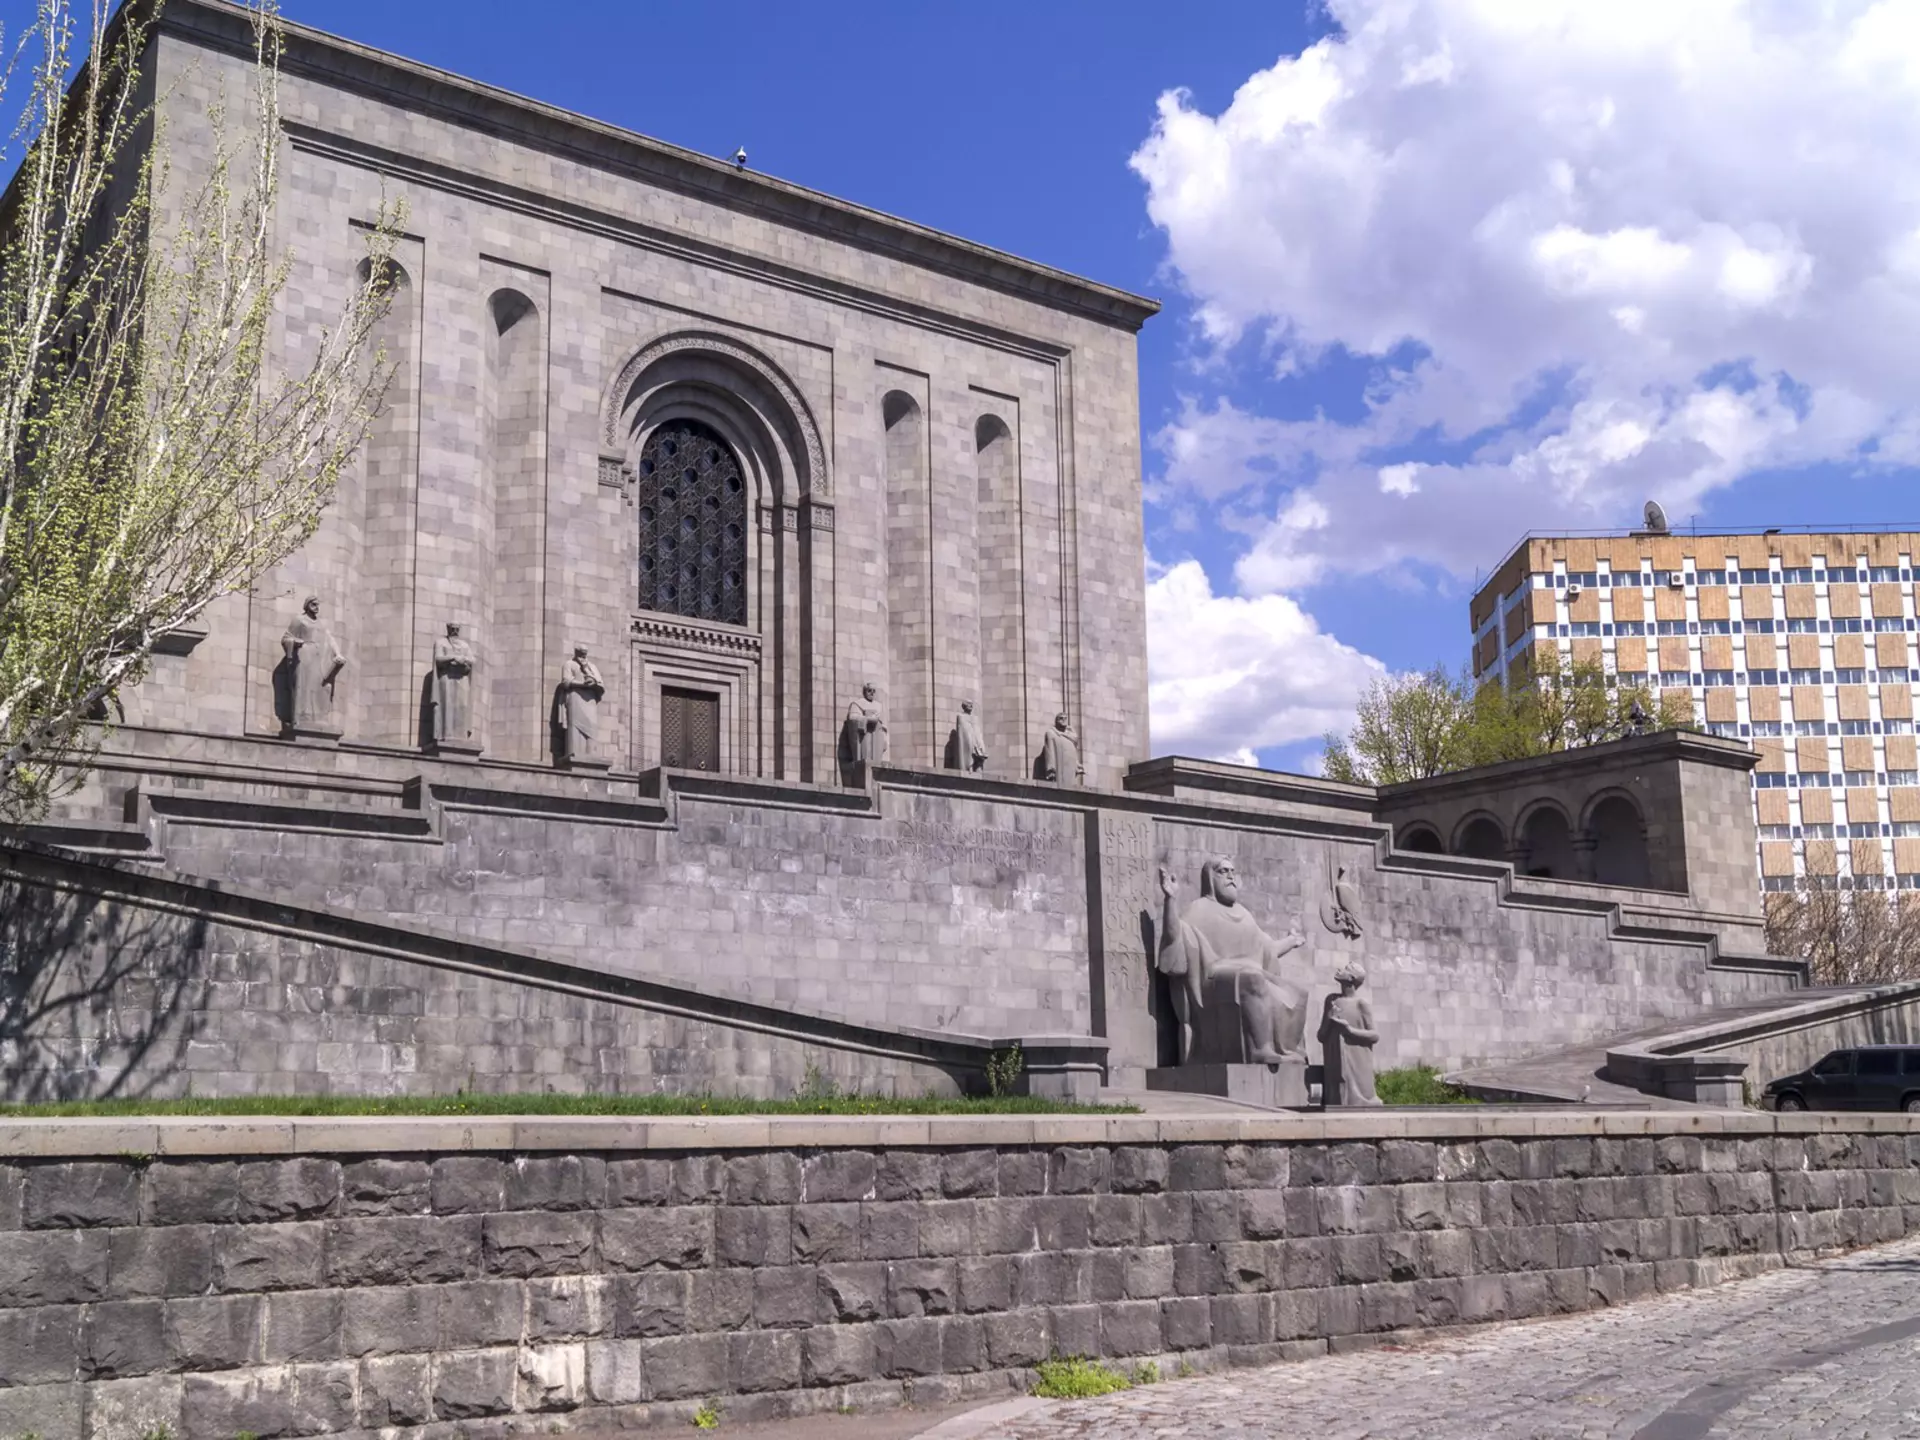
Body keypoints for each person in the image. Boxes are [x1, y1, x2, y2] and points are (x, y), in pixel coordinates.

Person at [1156, 857, 1308, 1066]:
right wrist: (1170, 901)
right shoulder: (1198, 909)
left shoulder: (1244, 915)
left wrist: (1291, 941)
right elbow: (1176, 941)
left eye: (1232, 871)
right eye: (1223, 871)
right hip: (1212, 981)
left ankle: (1288, 1049)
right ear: (1210, 878)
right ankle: (1260, 1049)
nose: (1230, 876)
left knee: (1297, 993)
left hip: (1247, 974)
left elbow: (1267, 949)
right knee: (1252, 978)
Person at [1319, 960, 1381, 1105]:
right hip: (1334, 1063)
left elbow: (1374, 1035)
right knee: (1337, 1100)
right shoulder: (1331, 1000)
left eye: (1346, 969)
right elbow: (1321, 1036)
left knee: (1357, 1101)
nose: (1340, 970)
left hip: (1357, 1064)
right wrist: (1329, 1017)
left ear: (1351, 979)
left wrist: (1349, 1031)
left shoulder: (1361, 1004)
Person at [280, 596, 346, 732]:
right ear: (308, 605)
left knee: (319, 686)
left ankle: (317, 716)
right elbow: (286, 638)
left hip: (320, 658)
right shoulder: (299, 620)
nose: (317, 607)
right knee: (304, 685)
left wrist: (338, 654)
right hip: (304, 656)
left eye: (318, 605)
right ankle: (302, 716)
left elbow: (330, 639)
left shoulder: (321, 624)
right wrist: (295, 643)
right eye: (314, 604)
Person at [557, 644, 605, 763]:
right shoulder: (569, 664)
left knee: (591, 728)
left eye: (585, 653)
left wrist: (588, 673)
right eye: (581, 653)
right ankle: (574, 754)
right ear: (576, 652)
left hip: (590, 699)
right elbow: (566, 682)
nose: (583, 656)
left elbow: (600, 683)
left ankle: (591, 756)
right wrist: (582, 684)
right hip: (575, 697)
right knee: (575, 727)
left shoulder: (592, 666)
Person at [432, 621, 477, 746]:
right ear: (448, 629)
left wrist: (463, 660)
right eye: (452, 628)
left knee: (462, 706)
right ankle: (445, 734)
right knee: (447, 706)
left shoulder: (464, 645)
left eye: (457, 629)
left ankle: (461, 735)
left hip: (461, 679)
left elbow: (472, 660)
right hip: (446, 678)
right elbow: (438, 659)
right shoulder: (441, 643)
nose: (454, 631)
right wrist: (453, 658)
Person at [840, 682, 887, 781]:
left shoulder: (879, 706)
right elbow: (852, 718)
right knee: (865, 761)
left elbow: (883, 725)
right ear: (865, 691)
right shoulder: (857, 704)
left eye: (874, 691)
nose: (872, 693)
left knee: (877, 765)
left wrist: (885, 739)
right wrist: (868, 719)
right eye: (869, 690)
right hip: (864, 736)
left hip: (877, 737)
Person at [1038, 711, 1083, 784]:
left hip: (1070, 765)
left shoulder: (1072, 736)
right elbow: (1050, 752)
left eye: (1065, 718)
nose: (1063, 720)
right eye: (1061, 718)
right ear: (1056, 721)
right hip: (1060, 764)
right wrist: (1051, 768)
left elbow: (1074, 751)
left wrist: (1077, 764)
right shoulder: (1051, 733)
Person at [949, 699, 988, 772]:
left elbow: (977, 731)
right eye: (968, 704)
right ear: (964, 706)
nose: (971, 706)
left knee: (979, 758)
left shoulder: (975, 718)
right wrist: (971, 742)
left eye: (971, 704)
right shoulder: (960, 716)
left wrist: (980, 743)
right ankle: (969, 767)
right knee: (968, 755)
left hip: (977, 743)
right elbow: (964, 732)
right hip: (968, 742)